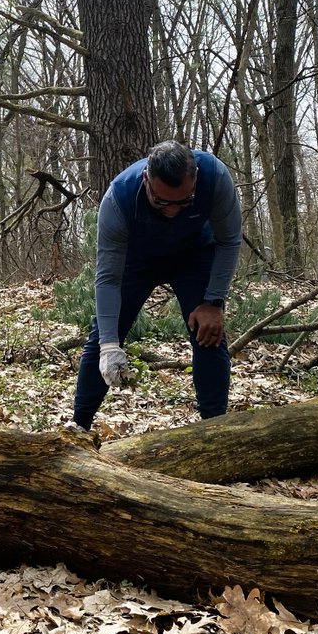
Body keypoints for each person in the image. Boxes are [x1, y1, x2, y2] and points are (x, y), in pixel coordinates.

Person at [71, 140, 242, 430]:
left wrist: (214, 301)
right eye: (162, 202)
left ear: (195, 179)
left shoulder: (215, 176)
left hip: (194, 255)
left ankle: (215, 429)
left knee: (209, 333)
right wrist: (110, 346)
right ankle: (79, 427)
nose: (172, 211)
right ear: (146, 180)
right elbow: (108, 278)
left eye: (183, 201)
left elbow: (229, 241)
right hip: (137, 260)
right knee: (103, 335)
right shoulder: (119, 198)